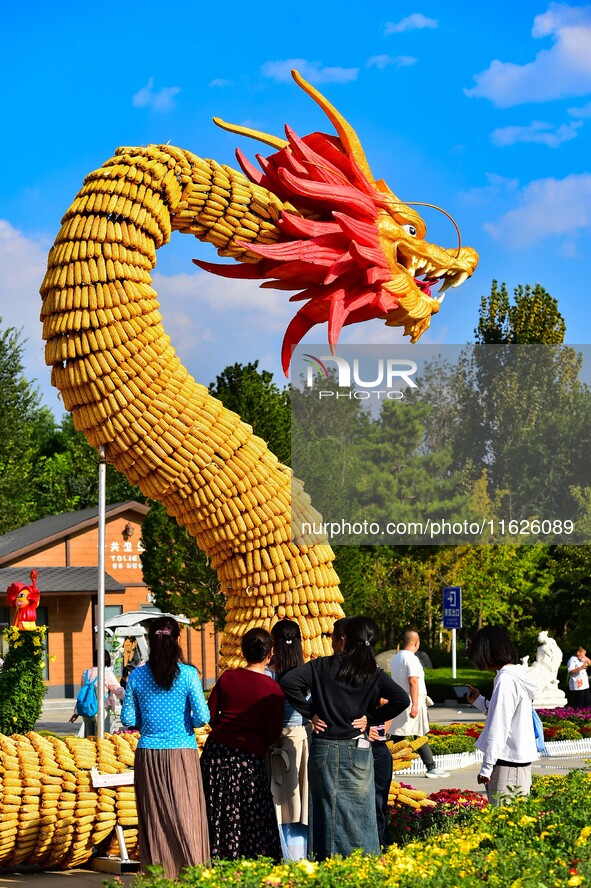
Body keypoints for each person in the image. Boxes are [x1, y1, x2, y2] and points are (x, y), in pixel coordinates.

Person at [280, 615, 409, 860]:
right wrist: (371, 717)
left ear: (345, 638)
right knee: (361, 813)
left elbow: (288, 682)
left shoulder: (321, 666)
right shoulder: (372, 672)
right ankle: (364, 866)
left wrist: (311, 713)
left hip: (324, 748)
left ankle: (328, 868)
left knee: (325, 812)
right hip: (358, 750)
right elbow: (402, 700)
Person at [120, 616, 210, 878]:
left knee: (155, 816)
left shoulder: (136, 675)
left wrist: (147, 722)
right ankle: (193, 872)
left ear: (150, 641)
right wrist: (186, 723)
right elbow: (203, 717)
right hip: (182, 752)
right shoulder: (189, 675)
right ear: (178, 639)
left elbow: (127, 719)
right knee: (187, 812)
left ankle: (159, 875)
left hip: (149, 753)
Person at [200, 627, 285, 861]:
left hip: (216, 753)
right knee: (251, 813)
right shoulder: (273, 690)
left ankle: (217, 858)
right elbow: (273, 732)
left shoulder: (227, 677)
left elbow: (211, 715)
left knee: (217, 810)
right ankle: (251, 861)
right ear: (270, 654)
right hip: (248, 758)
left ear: (243, 651)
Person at [332, 615, 392, 848]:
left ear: (344, 640)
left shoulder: (362, 671)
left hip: (367, 750)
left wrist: (373, 725)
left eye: (333, 639)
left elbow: (392, 701)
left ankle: (378, 853)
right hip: (367, 749)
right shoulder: (366, 668)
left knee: (372, 810)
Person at [466, 625, 539, 806]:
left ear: (487, 651)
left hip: (507, 765)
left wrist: (486, 767)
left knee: (503, 824)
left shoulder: (506, 680)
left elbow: (499, 726)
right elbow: (503, 713)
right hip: (516, 763)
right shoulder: (516, 674)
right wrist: (479, 701)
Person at [266, 619, 309, 860]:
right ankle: (298, 857)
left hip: (272, 743)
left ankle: (279, 856)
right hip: (298, 743)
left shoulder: (265, 675)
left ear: (274, 645)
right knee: (297, 805)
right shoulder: (307, 673)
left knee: (276, 803)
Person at [388, 631, 449, 778]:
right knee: (413, 734)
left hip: (401, 701)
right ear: (417, 643)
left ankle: (430, 766)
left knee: (402, 735)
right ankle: (430, 767)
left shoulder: (397, 657)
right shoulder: (411, 658)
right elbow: (413, 681)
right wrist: (415, 704)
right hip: (411, 702)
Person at [69, 649, 125, 736]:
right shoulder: (107, 674)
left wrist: (76, 712)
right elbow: (117, 690)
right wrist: (129, 699)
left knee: (89, 737)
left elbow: (83, 695)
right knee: (101, 738)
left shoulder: (86, 673)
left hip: (86, 710)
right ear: (107, 659)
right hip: (101, 709)